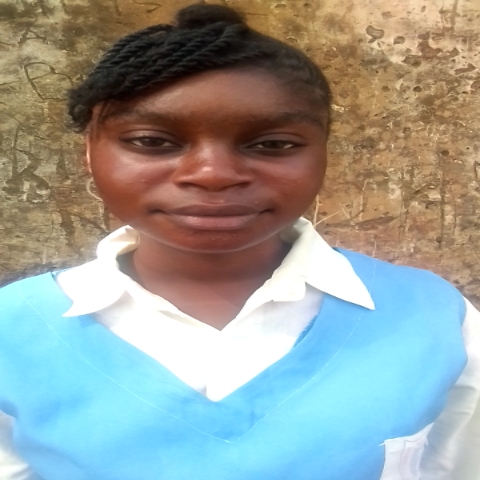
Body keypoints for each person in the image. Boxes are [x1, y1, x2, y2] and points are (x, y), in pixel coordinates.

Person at [0, 4, 479, 480]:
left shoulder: (434, 318)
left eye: (272, 144)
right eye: (152, 141)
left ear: (323, 153)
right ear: (89, 153)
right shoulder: (12, 330)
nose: (213, 174)